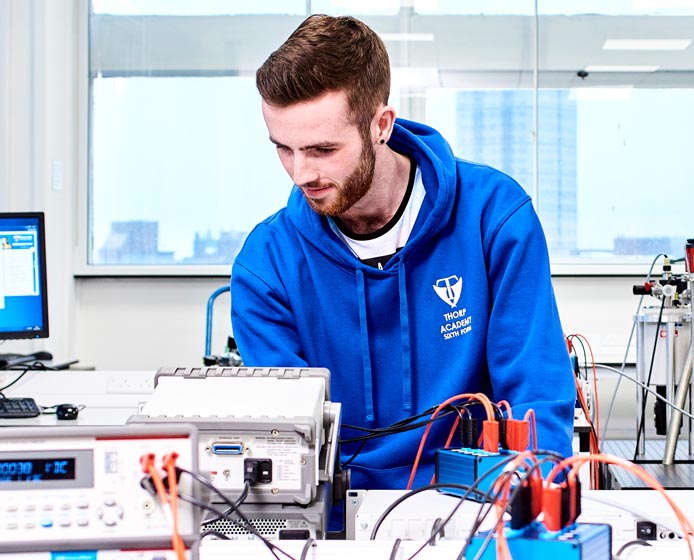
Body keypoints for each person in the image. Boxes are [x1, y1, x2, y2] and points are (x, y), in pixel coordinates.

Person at [230, 14, 575, 493]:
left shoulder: (493, 218)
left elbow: (534, 392)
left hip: (476, 506)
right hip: (335, 523)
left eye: (323, 149)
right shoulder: (266, 267)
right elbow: (289, 448)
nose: (301, 173)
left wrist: (532, 515)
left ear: (381, 126)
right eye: (284, 149)